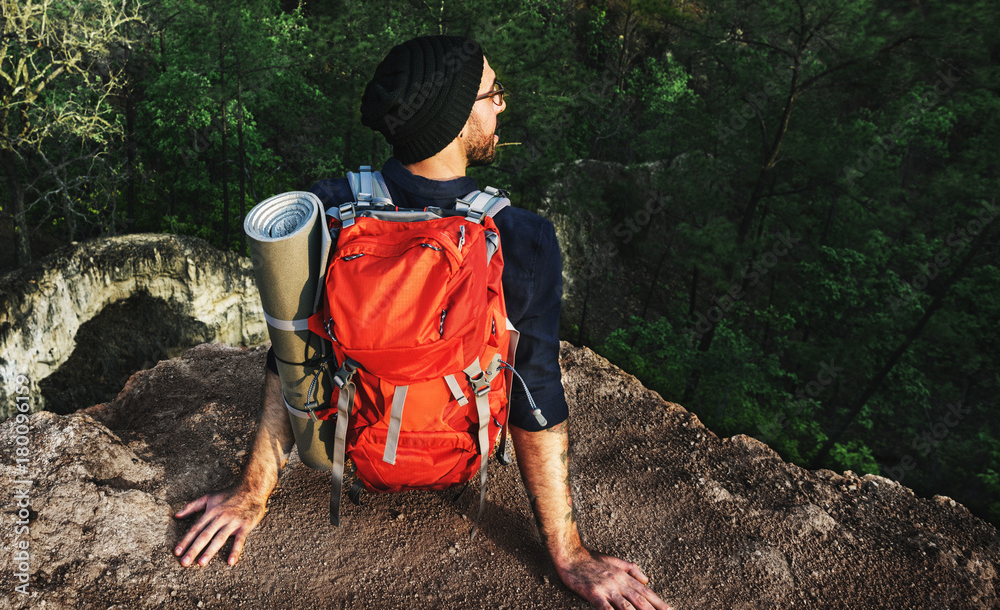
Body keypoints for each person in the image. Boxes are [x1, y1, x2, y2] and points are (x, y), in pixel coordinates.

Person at [174, 35, 671, 610]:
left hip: (350, 450)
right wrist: (569, 555)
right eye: (493, 94)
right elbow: (536, 392)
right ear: (455, 120)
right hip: (461, 459)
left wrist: (250, 493)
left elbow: (292, 356)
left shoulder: (328, 208)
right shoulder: (522, 237)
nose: (500, 106)